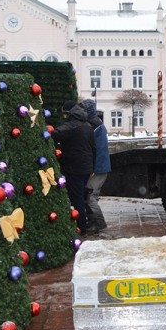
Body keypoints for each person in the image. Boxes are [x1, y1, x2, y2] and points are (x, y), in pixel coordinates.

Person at [53, 100, 95, 235]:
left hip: (74, 167)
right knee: (81, 197)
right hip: (85, 167)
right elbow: (94, 148)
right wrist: (92, 167)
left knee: (76, 199)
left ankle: (81, 228)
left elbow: (54, 134)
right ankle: (83, 223)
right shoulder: (88, 126)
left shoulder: (72, 126)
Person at [80, 99, 111, 233]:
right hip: (100, 166)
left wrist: (92, 168)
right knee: (90, 195)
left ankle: (99, 223)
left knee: (90, 196)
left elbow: (95, 149)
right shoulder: (97, 124)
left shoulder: (94, 125)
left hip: (98, 168)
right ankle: (94, 222)